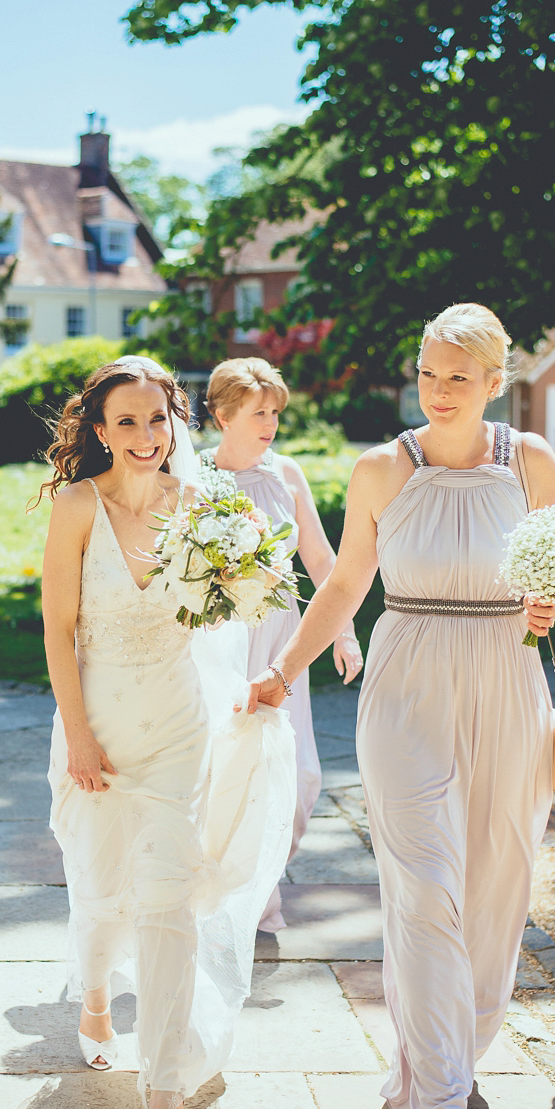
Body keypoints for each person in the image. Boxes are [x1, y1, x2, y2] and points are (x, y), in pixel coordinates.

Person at [246, 304, 555, 1109]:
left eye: (458, 377)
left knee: (497, 884)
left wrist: (554, 602)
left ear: (497, 382)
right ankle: (438, 1105)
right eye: (428, 372)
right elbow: (348, 579)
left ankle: (452, 1056)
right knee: (423, 890)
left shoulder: (531, 462)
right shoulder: (383, 467)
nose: (438, 391)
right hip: (409, 678)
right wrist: (282, 671)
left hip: (507, 678)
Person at [41, 356, 297, 1109]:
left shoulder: (204, 505)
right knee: (99, 878)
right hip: (101, 724)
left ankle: (164, 1082)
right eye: (127, 422)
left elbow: (242, 601)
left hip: (181, 724)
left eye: (157, 419)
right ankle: (91, 998)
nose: (146, 437)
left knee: (167, 895)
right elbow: (56, 630)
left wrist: (246, 595)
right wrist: (78, 733)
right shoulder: (79, 507)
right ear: (100, 430)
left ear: (175, 420)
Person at [202, 357, 363, 930]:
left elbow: (321, 559)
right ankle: (230, 903)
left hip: (285, 641)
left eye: (275, 412)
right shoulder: (192, 479)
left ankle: (260, 881)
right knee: (227, 774)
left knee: (299, 778)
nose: (270, 423)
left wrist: (342, 632)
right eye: (257, 412)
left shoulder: (287, 473)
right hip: (219, 640)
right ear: (221, 415)